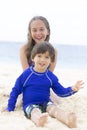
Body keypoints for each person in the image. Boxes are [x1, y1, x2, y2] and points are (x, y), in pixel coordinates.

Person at [6, 42, 84, 128]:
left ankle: (67, 119)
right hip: (30, 104)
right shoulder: (26, 75)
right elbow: (15, 91)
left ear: (51, 60)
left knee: (54, 109)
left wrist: (73, 89)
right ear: (33, 58)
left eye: (46, 57)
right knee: (34, 111)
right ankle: (39, 120)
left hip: (46, 103)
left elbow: (61, 92)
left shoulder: (50, 76)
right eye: (39, 56)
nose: (42, 60)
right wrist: (10, 108)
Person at [19, 16, 60, 104]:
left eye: (41, 29)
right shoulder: (24, 50)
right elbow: (26, 74)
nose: (38, 33)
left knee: (56, 101)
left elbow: (49, 75)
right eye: (34, 30)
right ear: (30, 32)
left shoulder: (54, 52)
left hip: (44, 84)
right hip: (28, 83)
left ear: (47, 31)